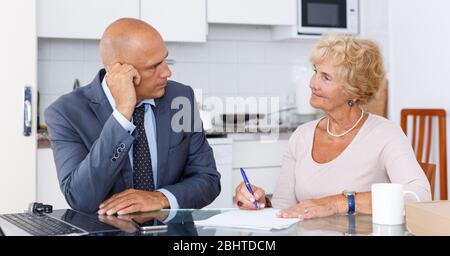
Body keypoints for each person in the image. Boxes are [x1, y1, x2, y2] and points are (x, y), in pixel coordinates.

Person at [235, 34, 431, 219]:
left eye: (326, 77)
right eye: (315, 72)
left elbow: (419, 196)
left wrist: (338, 203)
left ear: (355, 91)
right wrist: (261, 204)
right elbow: (284, 208)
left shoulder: (385, 134)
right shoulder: (302, 136)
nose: (312, 83)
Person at [45, 18, 220, 215]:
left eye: (165, 60)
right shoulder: (65, 113)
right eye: (153, 67)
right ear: (119, 70)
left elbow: (208, 180)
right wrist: (122, 114)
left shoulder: (181, 98)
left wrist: (160, 198)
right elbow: (80, 198)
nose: (167, 72)